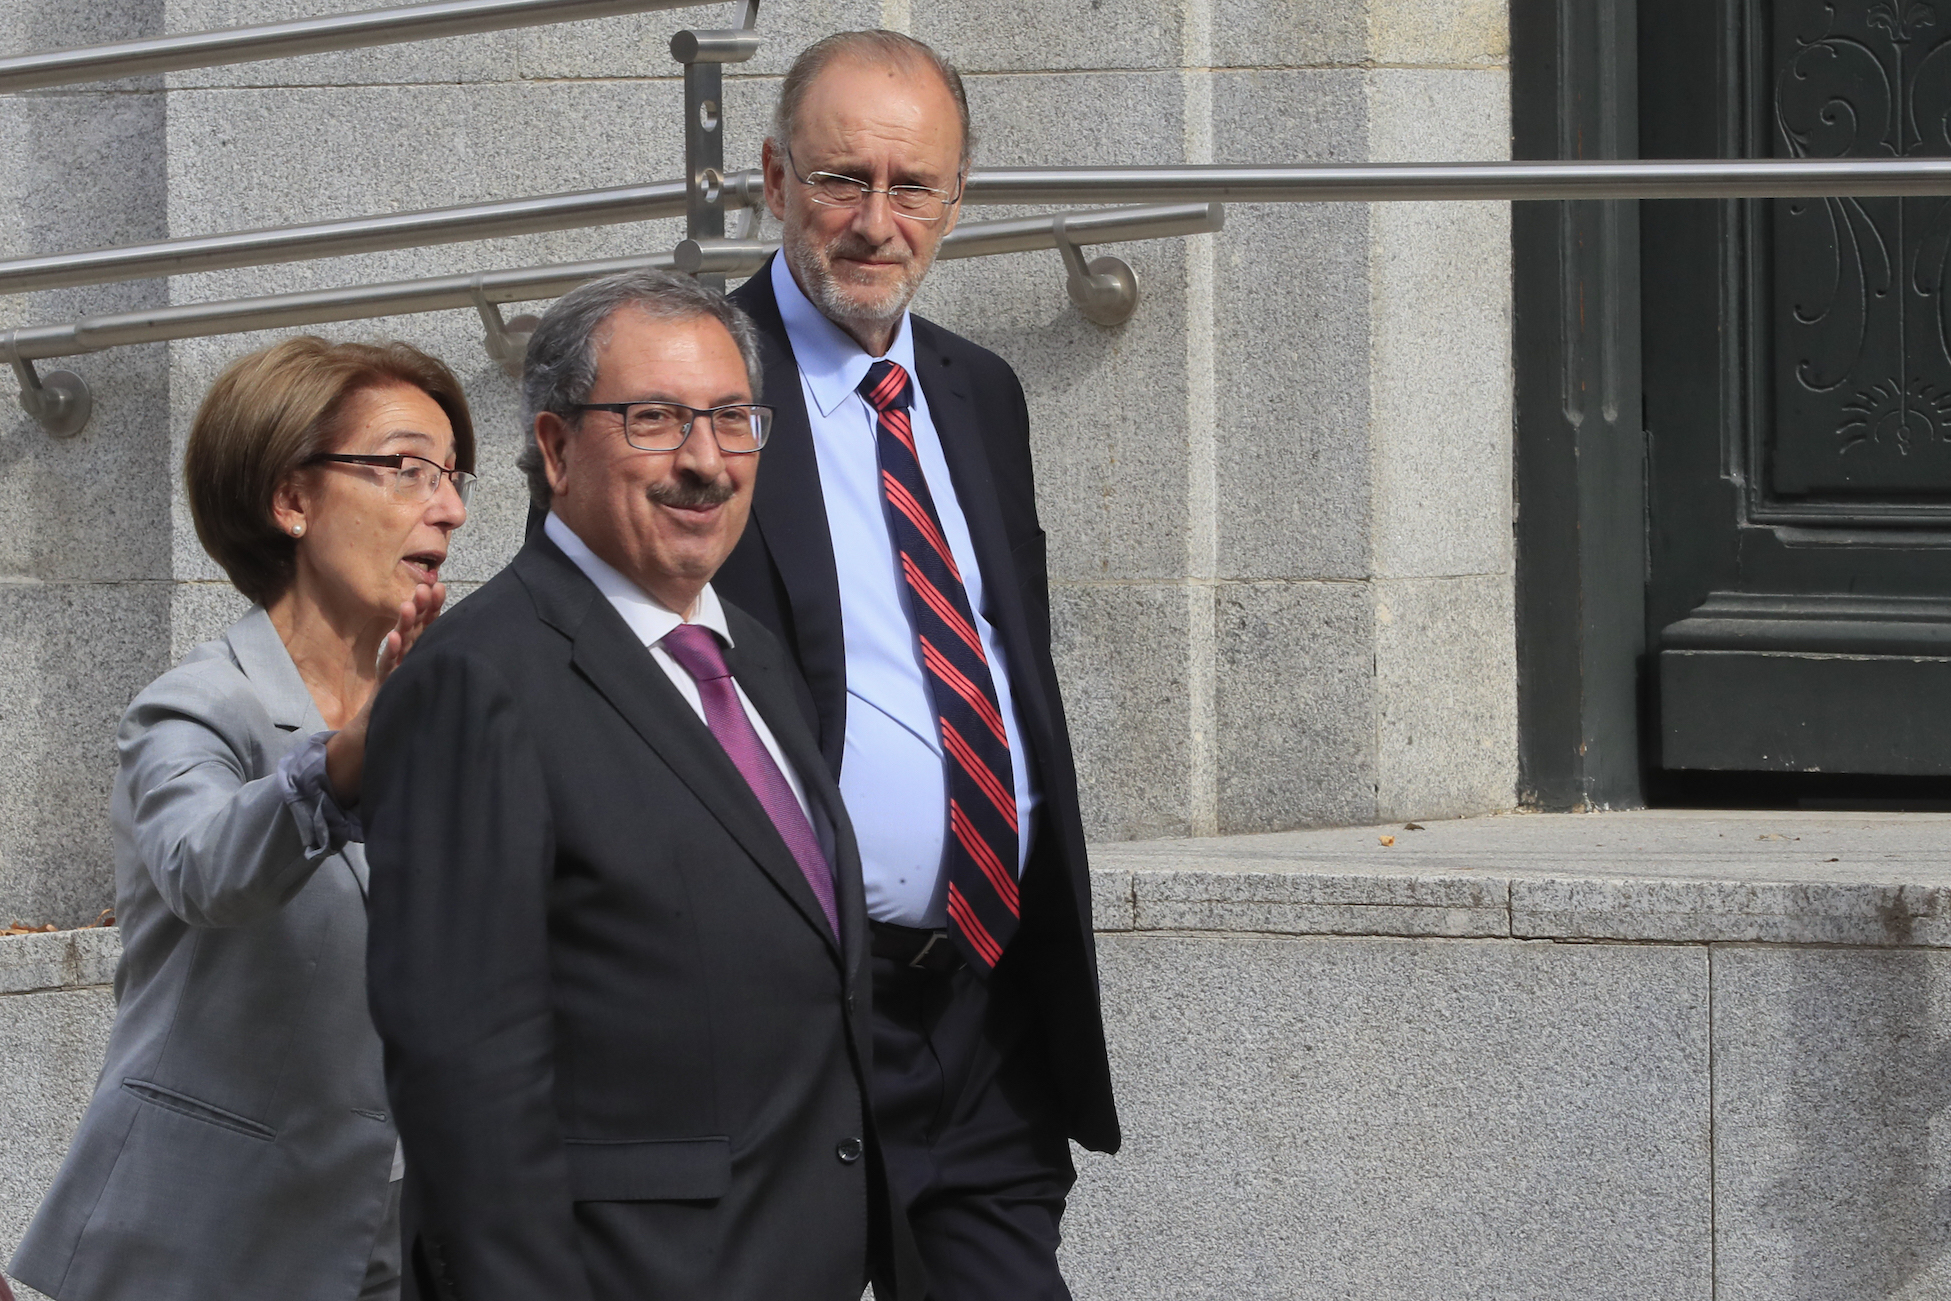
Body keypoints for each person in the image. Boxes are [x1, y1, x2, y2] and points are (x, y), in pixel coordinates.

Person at [361, 269, 914, 1301]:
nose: (703, 460)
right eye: (655, 419)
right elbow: (465, 1080)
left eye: (732, 419)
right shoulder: (479, 681)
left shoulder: (746, 650)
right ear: (558, 447)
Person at [712, 30, 1119, 1300]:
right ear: (774, 179)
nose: (877, 223)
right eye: (842, 180)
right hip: (782, 1013)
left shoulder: (979, 391)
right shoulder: (685, 393)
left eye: (914, 187)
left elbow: (999, 657)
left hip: (984, 1012)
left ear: (956, 199)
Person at [8, 337, 475, 1301]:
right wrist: (348, 757)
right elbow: (203, 867)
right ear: (292, 499)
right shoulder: (195, 705)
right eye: (405, 468)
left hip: (399, 1241)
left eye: (451, 474)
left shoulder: (445, 709)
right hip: (205, 1244)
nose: (450, 506)